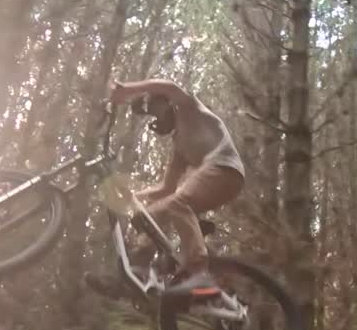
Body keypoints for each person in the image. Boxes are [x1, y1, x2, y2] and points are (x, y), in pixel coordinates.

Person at [85, 78, 245, 302]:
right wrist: (133, 197)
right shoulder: (179, 144)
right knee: (150, 214)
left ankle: (199, 272)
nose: (154, 117)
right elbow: (165, 187)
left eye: (154, 110)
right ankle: (135, 275)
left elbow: (168, 86)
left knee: (178, 203)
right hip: (215, 181)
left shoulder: (189, 108)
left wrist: (129, 90)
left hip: (226, 169)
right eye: (150, 114)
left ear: (167, 104)